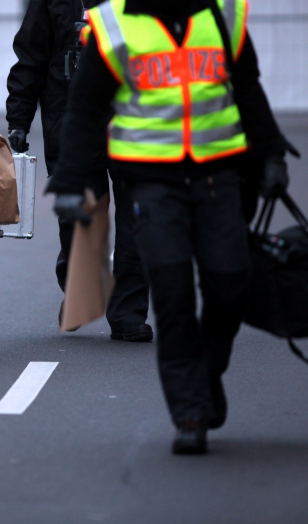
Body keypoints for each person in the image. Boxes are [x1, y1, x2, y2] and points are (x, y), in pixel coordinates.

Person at [50, 0, 296, 454]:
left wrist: (272, 155)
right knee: (173, 291)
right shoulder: (114, 26)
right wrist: (69, 182)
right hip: (151, 181)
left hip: (219, 177)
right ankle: (190, 410)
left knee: (229, 283)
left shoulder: (223, 17)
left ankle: (206, 374)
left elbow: (247, 89)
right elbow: (84, 108)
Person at [7, 0, 153, 342]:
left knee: (138, 221)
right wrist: (19, 119)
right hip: (72, 124)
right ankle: (77, 286)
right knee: (79, 221)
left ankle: (129, 313)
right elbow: (31, 58)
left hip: (134, 123)